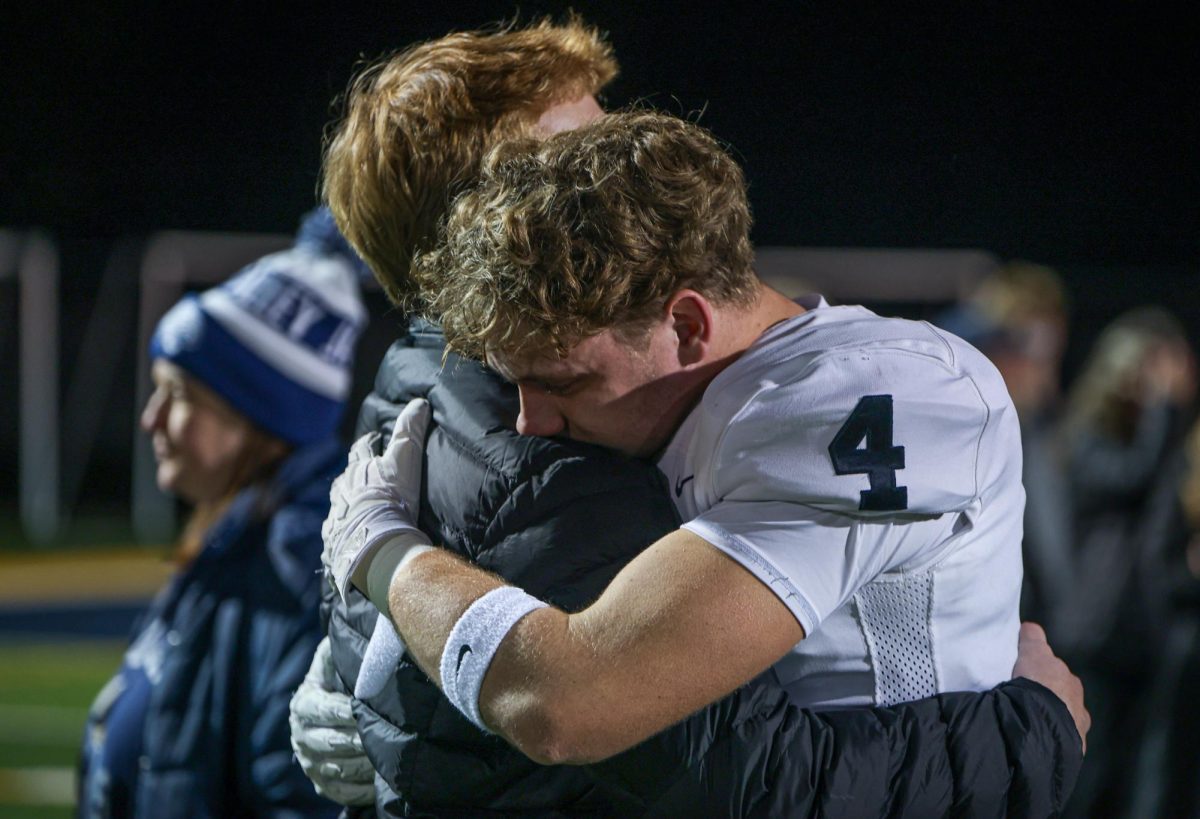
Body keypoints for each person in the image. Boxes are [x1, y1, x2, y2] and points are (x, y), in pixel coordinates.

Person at [294, 20, 1088, 816]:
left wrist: (375, 643)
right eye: (577, 148)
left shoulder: (873, 388)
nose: (616, 146)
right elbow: (594, 710)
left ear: (685, 324)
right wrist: (1028, 737)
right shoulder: (537, 416)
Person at [78, 208, 367, 818]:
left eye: (178, 395)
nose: (150, 419)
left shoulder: (291, 578)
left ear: (260, 418)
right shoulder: (235, 539)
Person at [1056, 306, 1196, 819]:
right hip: (1100, 631)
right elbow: (1131, 478)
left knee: (1141, 772)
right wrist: (1162, 411)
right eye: (1152, 366)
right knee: (1093, 768)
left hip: (1151, 629)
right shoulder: (1091, 438)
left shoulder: (1171, 446)